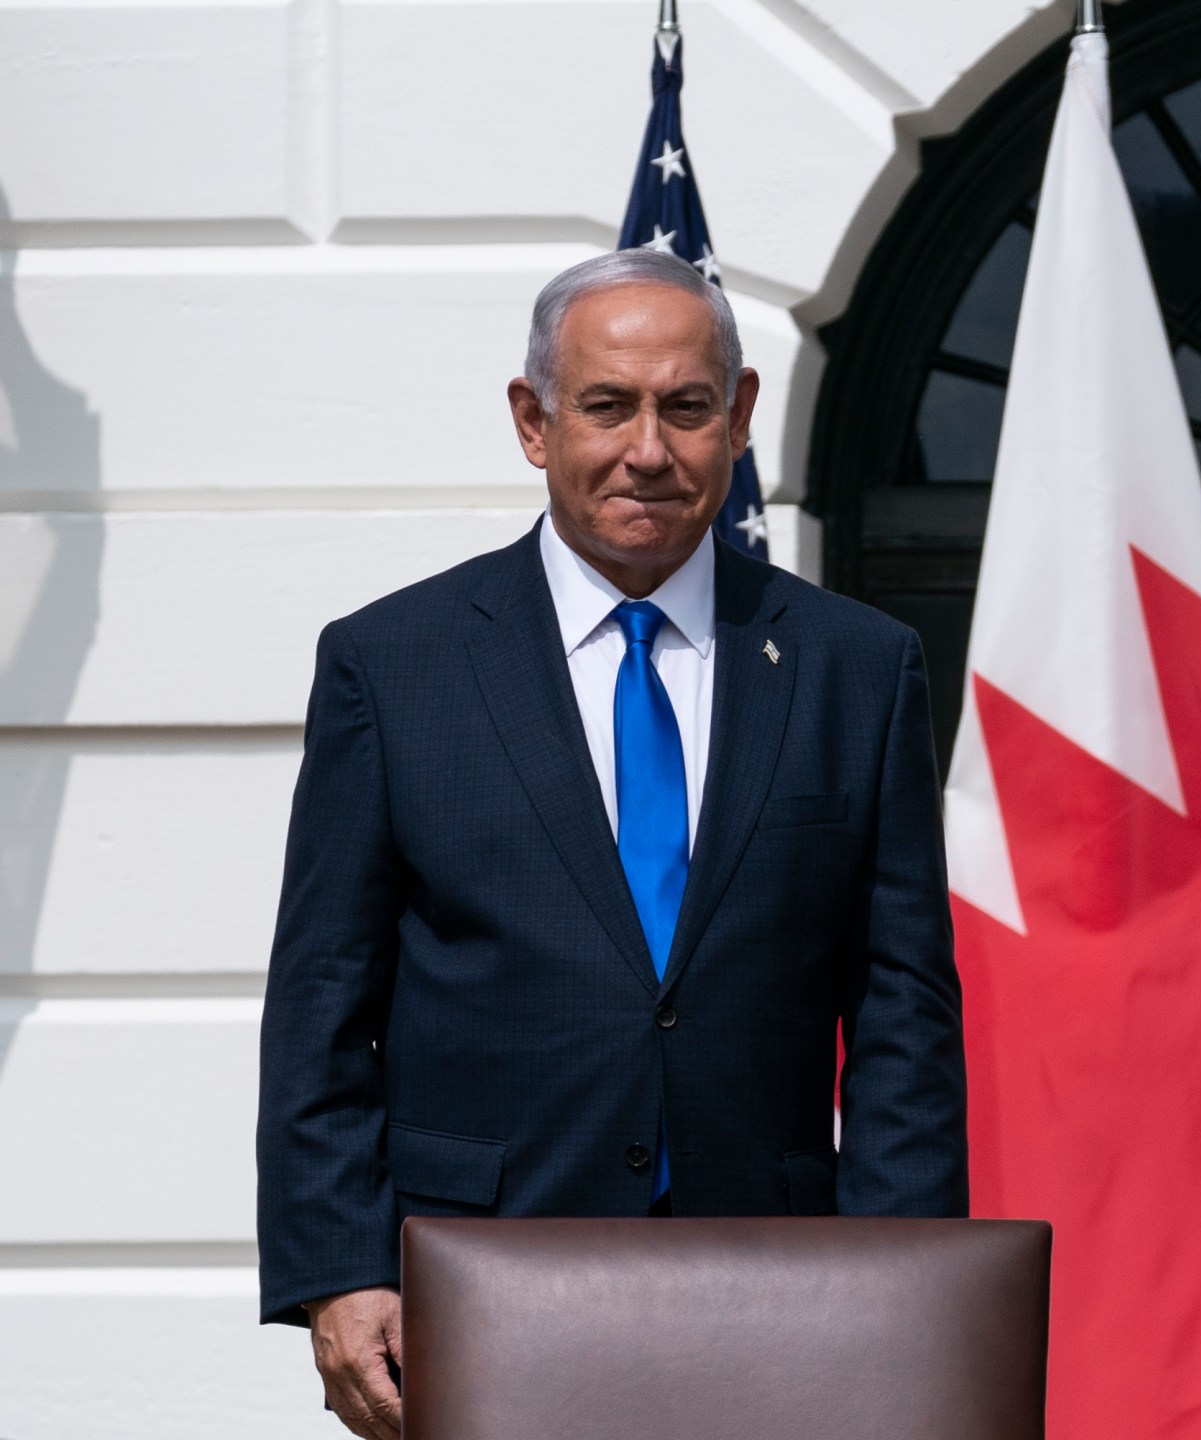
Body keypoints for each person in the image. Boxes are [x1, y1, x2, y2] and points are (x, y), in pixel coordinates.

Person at [257, 248, 967, 1436]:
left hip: (780, 1294)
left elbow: (902, 1012)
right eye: (606, 405)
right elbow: (325, 998)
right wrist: (339, 1266)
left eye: (686, 407)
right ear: (533, 423)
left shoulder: (857, 668)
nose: (649, 448)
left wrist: (900, 1276)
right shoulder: (396, 666)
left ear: (738, 420)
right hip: (478, 1284)